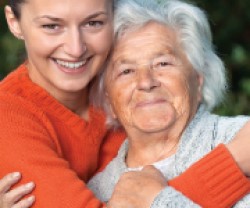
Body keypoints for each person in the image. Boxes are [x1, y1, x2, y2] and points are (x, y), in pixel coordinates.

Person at [0, 0, 250, 208]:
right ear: (14, 21)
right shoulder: (9, 117)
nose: (75, 49)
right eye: (51, 25)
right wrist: (231, 165)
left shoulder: (235, 136)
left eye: (93, 22)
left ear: (198, 76)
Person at [85, 0, 250, 207]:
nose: (145, 82)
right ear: (108, 100)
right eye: (126, 71)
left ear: (198, 80)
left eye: (163, 63)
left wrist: (159, 201)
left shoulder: (240, 142)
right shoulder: (95, 192)